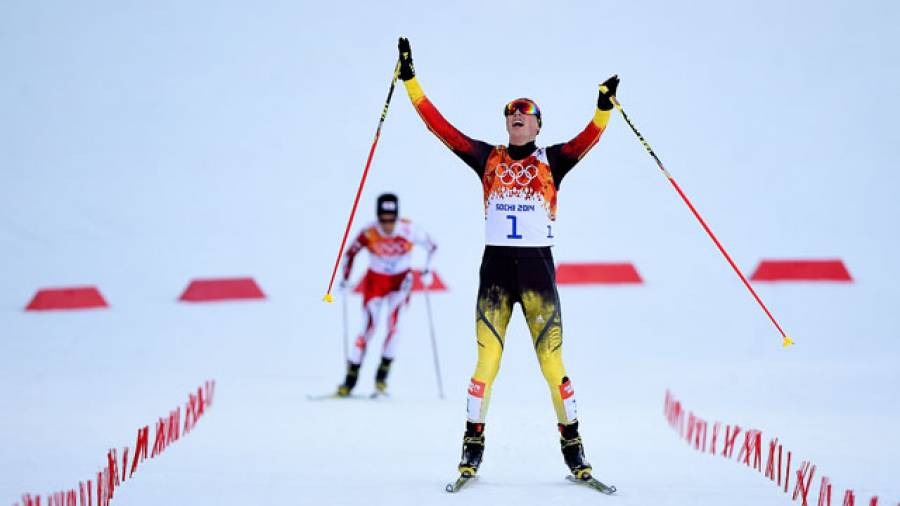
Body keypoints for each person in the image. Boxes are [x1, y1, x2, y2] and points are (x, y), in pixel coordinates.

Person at [397, 37, 619, 480]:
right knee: (485, 366)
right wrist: (411, 83)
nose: (517, 115)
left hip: (538, 275)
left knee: (553, 365)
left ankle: (573, 447)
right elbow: (441, 129)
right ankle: (472, 443)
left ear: (537, 127)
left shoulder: (552, 161)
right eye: (511, 112)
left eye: (526, 113)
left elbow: (588, 139)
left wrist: (603, 106)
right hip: (496, 276)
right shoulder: (488, 159)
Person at [336, 192, 437, 397]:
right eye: (383, 219)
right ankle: (350, 379)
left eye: (391, 220)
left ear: (397, 217)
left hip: (400, 283)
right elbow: (350, 253)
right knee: (368, 328)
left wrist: (427, 271)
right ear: (378, 216)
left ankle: (381, 380)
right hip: (375, 283)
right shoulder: (370, 231)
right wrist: (345, 278)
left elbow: (433, 247)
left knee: (393, 327)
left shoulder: (409, 229)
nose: (387, 225)